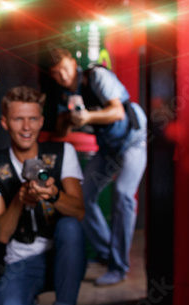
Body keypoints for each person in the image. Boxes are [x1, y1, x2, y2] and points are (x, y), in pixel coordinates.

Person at [0, 86, 86, 305]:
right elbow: (2, 235)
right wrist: (20, 200)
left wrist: (54, 195)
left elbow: (79, 211)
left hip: (63, 257)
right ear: (6, 123)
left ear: (41, 121)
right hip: (22, 258)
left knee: (70, 226)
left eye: (32, 119)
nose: (26, 127)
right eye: (18, 119)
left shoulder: (62, 152)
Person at [46, 48, 148, 286]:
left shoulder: (96, 77)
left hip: (133, 139)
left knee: (123, 195)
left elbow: (117, 111)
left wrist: (88, 118)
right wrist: (66, 119)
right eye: (55, 72)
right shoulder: (63, 94)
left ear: (73, 62)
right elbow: (62, 132)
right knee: (82, 196)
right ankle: (107, 252)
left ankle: (118, 267)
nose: (62, 75)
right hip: (108, 148)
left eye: (64, 68)